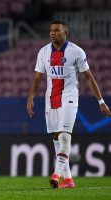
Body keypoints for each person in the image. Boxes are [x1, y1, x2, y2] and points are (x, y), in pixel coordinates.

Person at [26, 20, 111, 189]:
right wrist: (31, 97)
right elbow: (37, 77)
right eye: (51, 30)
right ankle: (69, 180)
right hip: (51, 99)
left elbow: (88, 77)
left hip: (69, 97)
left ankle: (56, 175)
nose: (52, 33)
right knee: (57, 138)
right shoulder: (43, 52)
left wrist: (101, 101)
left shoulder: (76, 52)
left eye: (56, 30)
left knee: (65, 135)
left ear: (65, 33)